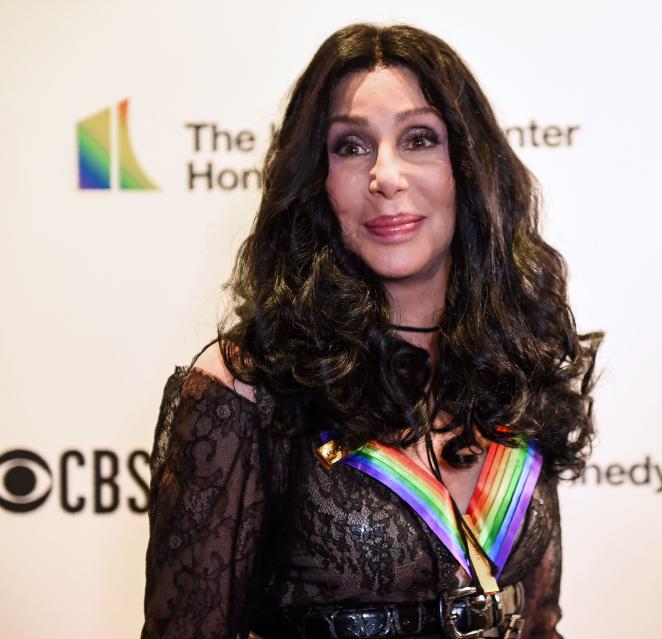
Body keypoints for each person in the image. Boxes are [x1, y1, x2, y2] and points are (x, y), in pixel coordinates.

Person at [141, 23, 601, 639]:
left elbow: (539, 621)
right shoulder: (246, 391)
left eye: (418, 139)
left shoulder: (514, 371)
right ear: (318, 182)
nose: (385, 174)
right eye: (351, 147)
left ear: (467, 167)